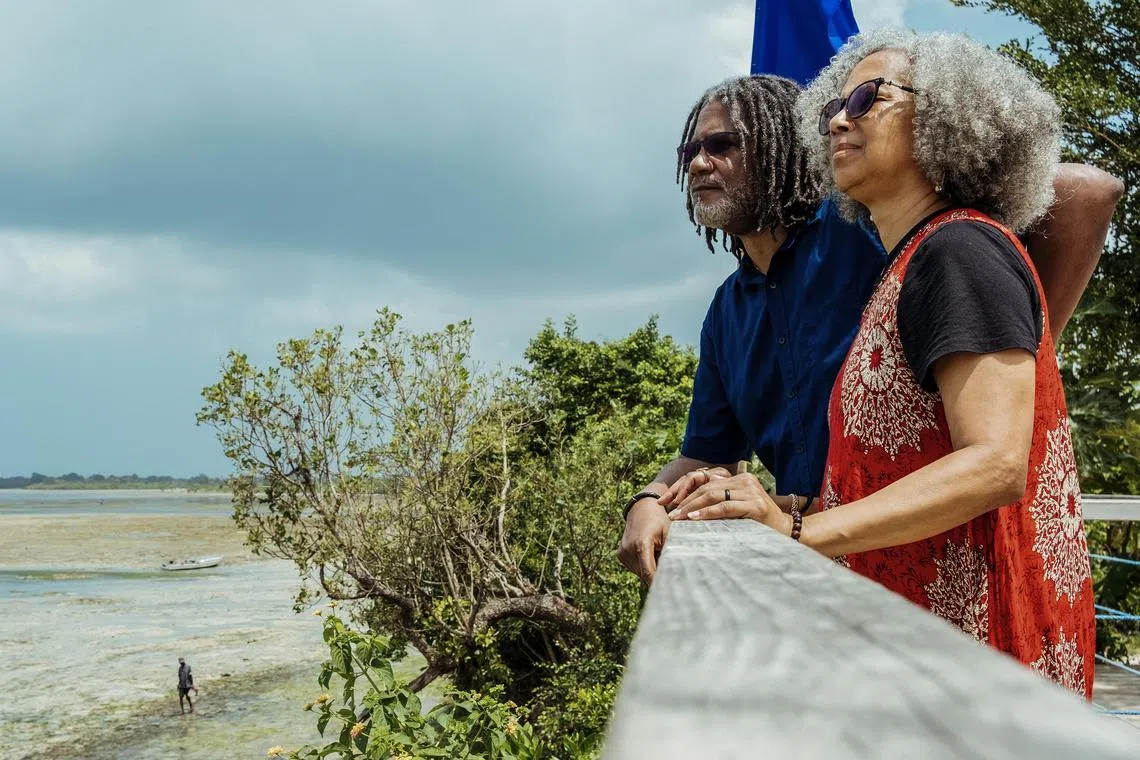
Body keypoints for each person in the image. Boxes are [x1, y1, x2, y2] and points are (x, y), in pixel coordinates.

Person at [666, 30, 1100, 699]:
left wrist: (796, 528)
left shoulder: (961, 251)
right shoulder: (908, 262)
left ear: (947, 115)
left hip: (977, 655)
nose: (840, 117)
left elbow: (995, 463)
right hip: (905, 634)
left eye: (868, 98)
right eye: (832, 108)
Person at [617, 64, 1122, 588]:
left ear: (780, 149)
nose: (700, 162)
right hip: (820, 560)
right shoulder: (726, 311)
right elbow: (709, 452)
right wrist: (649, 500)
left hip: (944, 554)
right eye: (690, 152)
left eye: (724, 145)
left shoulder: (868, 230)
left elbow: (1084, 192)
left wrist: (1019, 374)